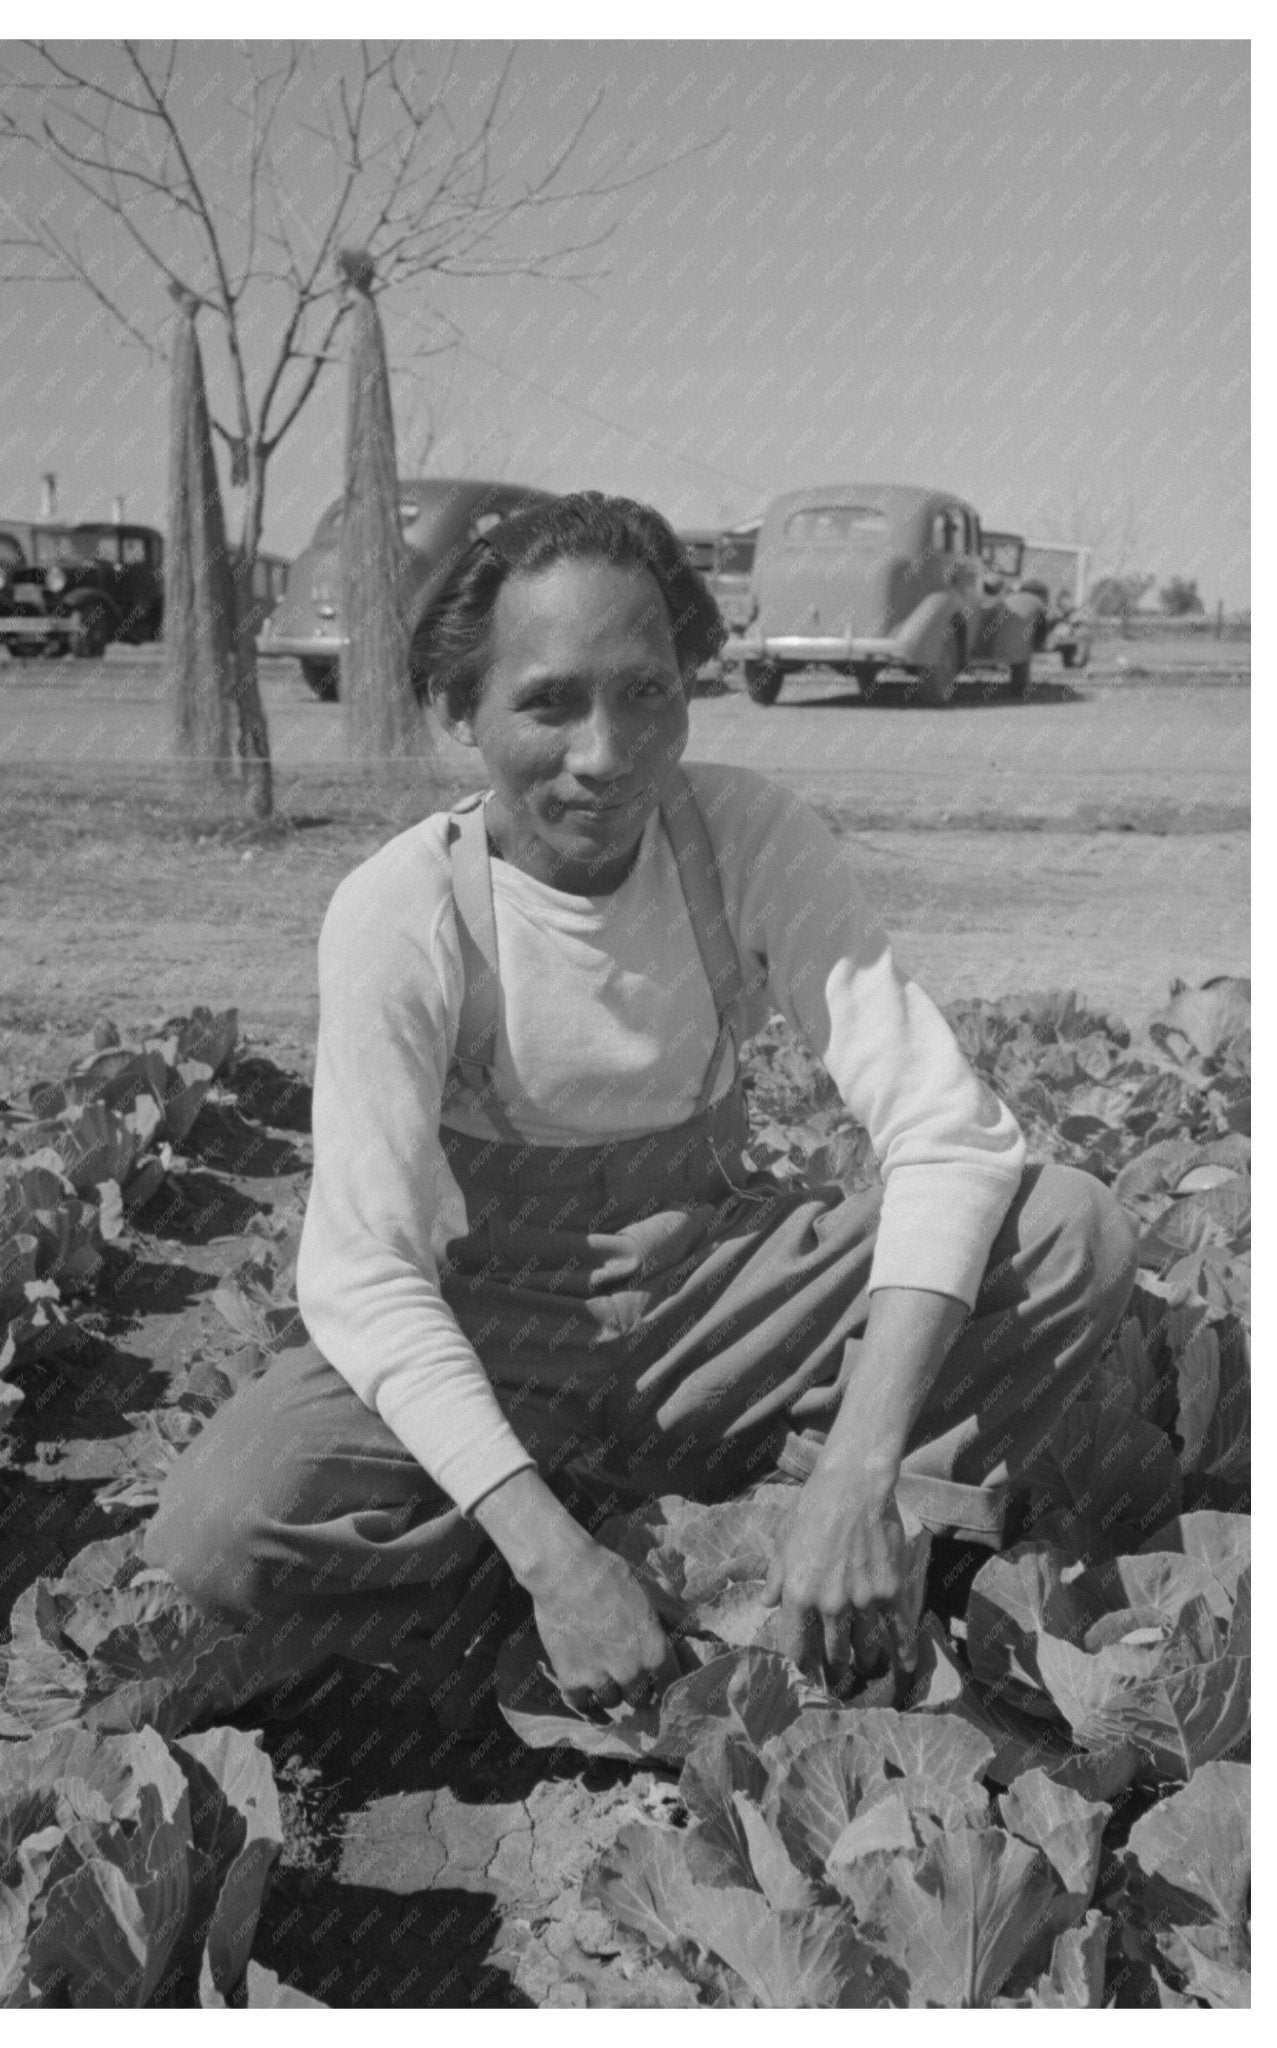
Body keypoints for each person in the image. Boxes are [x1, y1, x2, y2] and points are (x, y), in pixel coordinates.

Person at [145, 491, 1137, 1726]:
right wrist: (550, 1551)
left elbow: (945, 1131)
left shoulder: (744, 836)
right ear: (463, 710)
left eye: (647, 692)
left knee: (1068, 1229)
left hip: (715, 1292)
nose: (606, 753)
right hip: (501, 1324)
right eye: (549, 701)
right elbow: (364, 1274)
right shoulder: (401, 911)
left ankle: (819, 1543)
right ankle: (555, 1568)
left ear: (688, 683)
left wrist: (859, 1462)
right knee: (216, 1527)